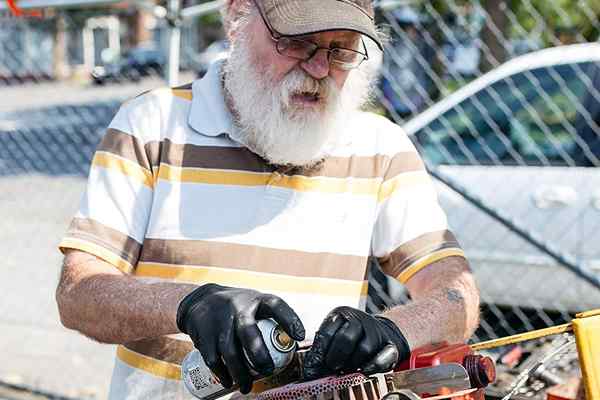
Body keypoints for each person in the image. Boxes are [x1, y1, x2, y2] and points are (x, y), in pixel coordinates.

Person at [55, 0, 480, 399]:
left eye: (342, 50)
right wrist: (186, 305)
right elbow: (78, 294)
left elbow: (457, 296)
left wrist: (391, 330)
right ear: (237, 17)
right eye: (295, 42)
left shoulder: (380, 147)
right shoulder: (151, 124)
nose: (318, 68)